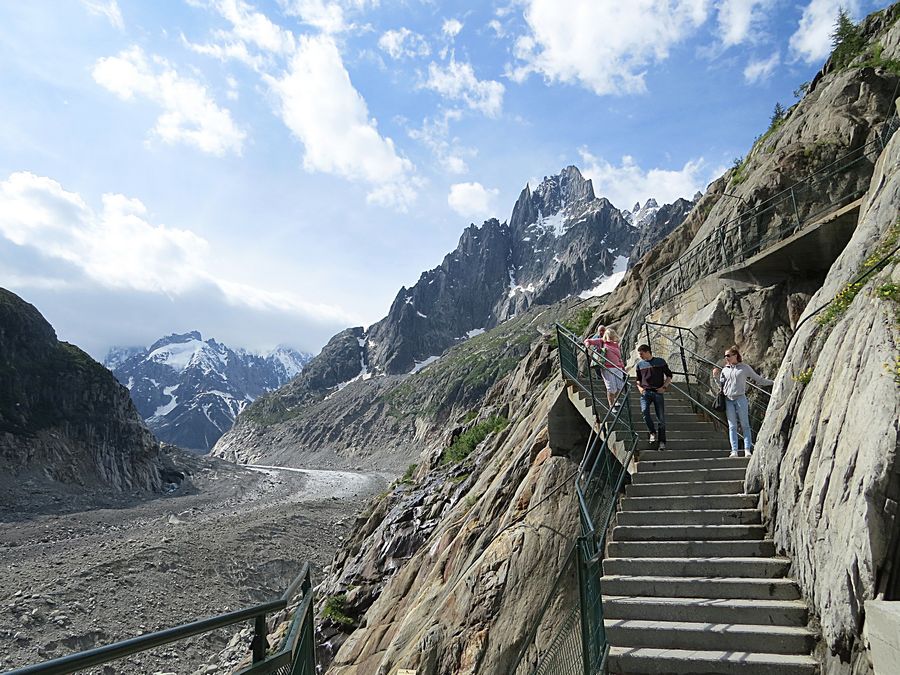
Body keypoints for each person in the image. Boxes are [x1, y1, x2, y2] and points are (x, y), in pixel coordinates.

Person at [712, 345, 774, 457]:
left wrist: (773, 382)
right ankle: (734, 450)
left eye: (728, 355)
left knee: (745, 424)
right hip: (728, 399)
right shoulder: (725, 370)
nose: (726, 358)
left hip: (740, 398)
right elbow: (721, 386)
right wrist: (715, 377)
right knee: (732, 426)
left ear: (735, 355)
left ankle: (747, 449)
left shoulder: (744, 368)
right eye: (725, 356)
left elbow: (759, 380)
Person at [635, 344, 673, 449]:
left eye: (641, 354)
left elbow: (669, 375)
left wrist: (664, 387)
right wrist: (640, 389)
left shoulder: (660, 362)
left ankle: (662, 441)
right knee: (644, 412)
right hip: (645, 392)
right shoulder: (639, 365)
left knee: (661, 418)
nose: (640, 356)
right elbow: (638, 380)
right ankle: (652, 432)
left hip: (658, 392)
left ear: (647, 352)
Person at [584, 327, 626, 411]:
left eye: (612, 335)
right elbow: (587, 340)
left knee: (620, 386)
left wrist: (623, 368)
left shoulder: (616, 344)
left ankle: (615, 400)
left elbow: (619, 357)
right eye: (609, 336)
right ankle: (611, 405)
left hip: (618, 367)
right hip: (607, 367)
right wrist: (588, 345)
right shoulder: (601, 341)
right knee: (611, 388)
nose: (610, 337)